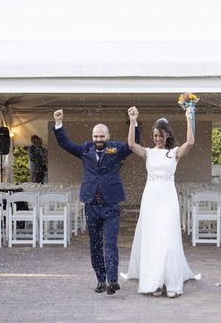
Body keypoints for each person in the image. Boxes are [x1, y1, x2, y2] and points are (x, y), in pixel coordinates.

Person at [53, 109, 139, 295]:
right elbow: (65, 144)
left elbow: (133, 144)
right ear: (92, 137)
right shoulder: (85, 149)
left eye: (101, 136)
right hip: (91, 204)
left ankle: (113, 280)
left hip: (110, 205)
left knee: (110, 243)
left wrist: (133, 121)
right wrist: (59, 124)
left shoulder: (116, 149)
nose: (98, 139)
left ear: (108, 136)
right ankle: (101, 279)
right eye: (95, 136)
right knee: (95, 244)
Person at [121, 107, 201, 298]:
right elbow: (131, 144)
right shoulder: (148, 152)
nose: (158, 138)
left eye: (161, 135)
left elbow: (190, 142)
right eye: (156, 135)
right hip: (150, 199)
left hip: (168, 199)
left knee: (168, 239)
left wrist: (189, 118)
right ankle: (155, 283)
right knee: (153, 239)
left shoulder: (174, 153)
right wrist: (133, 121)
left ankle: (171, 283)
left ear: (167, 135)